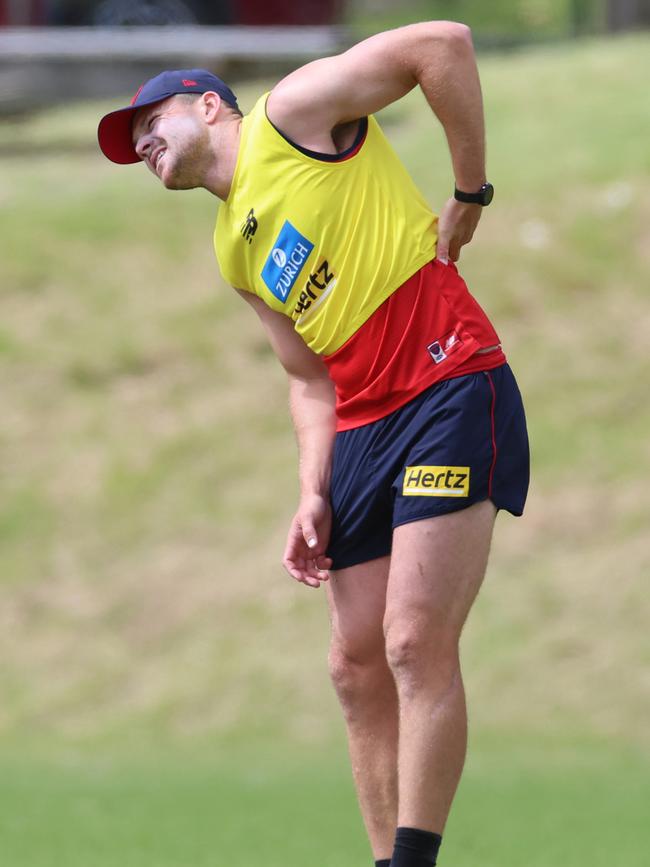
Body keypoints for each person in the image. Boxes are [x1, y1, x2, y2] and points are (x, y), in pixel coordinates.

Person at [98, 21, 529, 867]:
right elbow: (308, 380)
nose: (144, 139)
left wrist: (469, 195)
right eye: (133, 141)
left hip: (446, 382)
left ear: (213, 107)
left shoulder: (289, 114)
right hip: (363, 425)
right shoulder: (234, 247)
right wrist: (312, 489)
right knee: (354, 663)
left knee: (412, 639)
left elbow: (442, 44)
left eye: (155, 119)